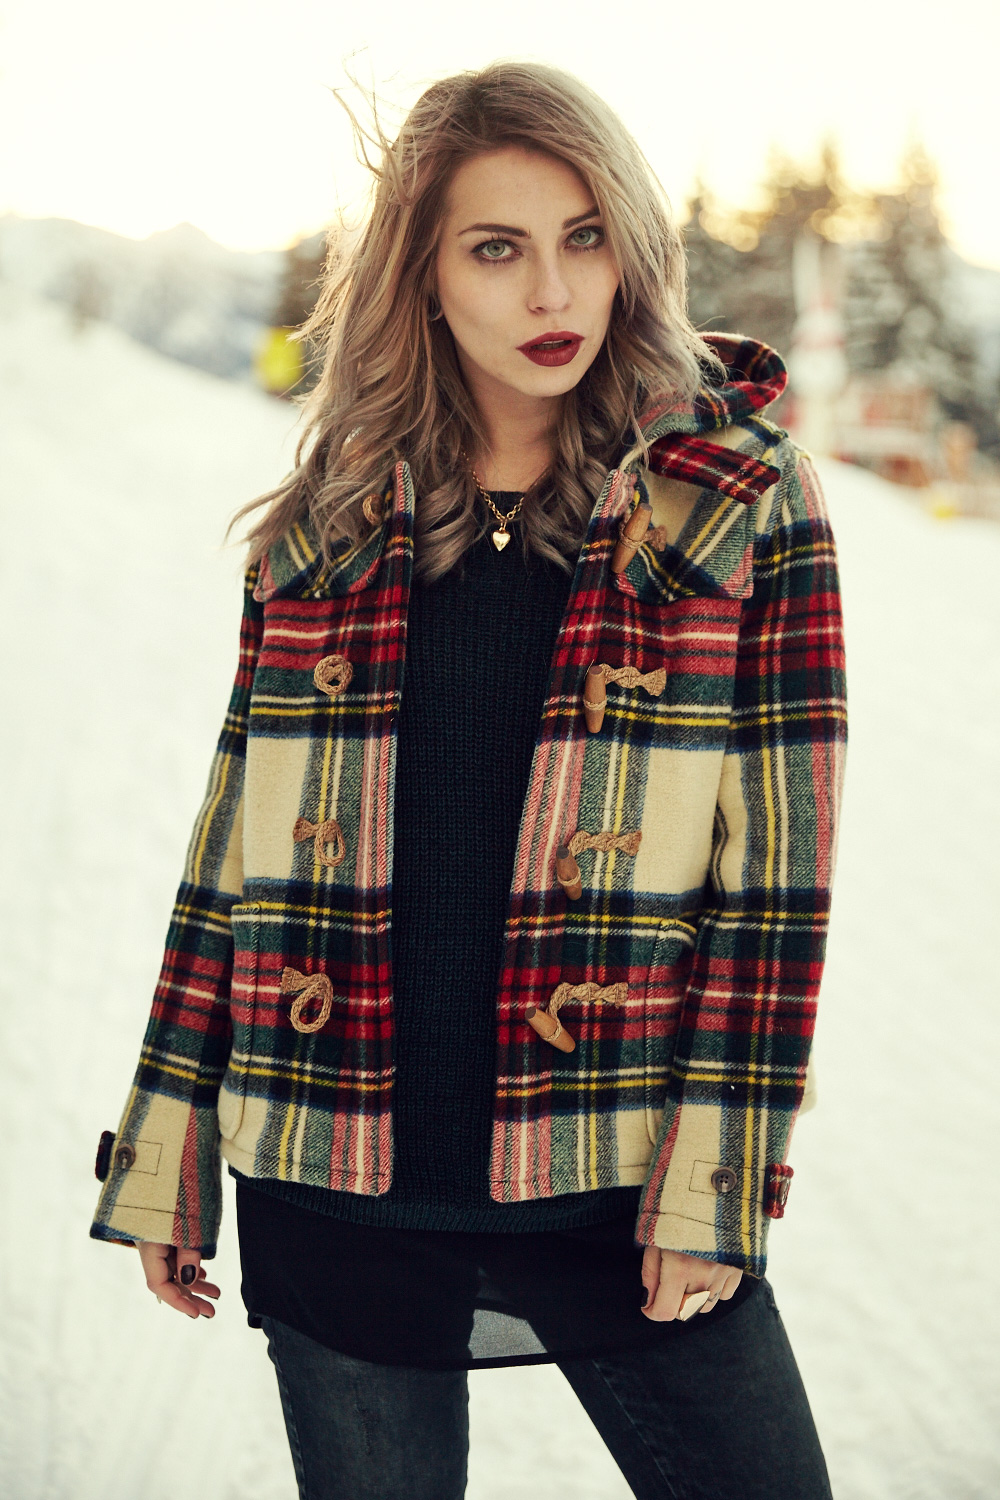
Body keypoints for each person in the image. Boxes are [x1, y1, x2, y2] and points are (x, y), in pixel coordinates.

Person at [90, 60, 848, 1500]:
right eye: (496, 249)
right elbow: (232, 855)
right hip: (332, 1172)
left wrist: (716, 1181)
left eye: (585, 237)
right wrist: (169, 1142)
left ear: (632, 248)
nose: (553, 291)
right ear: (424, 279)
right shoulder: (326, 521)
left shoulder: (736, 500)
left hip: (610, 1169)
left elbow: (778, 890)